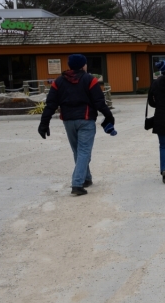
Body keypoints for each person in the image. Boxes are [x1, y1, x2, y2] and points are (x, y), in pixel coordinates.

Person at [38, 54, 115, 196]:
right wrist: (109, 116)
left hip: (68, 120)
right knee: (84, 152)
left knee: (78, 151)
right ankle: (77, 183)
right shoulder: (89, 80)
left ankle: (86, 178)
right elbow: (99, 101)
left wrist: (44, 123)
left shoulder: (59, 81)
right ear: (83, 65)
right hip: (86, 119)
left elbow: (51, 104)